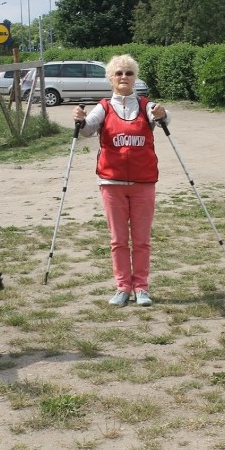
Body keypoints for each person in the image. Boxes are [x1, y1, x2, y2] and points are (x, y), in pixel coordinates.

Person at [72, 54, 169, 307]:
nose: (124, 77)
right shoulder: (103, 106)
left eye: (128, 73)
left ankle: (142, 287)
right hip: (111, 183)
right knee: (118, 239)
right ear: (111, 79)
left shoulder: (146, 105)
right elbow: (88, 129)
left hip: (143, 182)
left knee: (141, 239)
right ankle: (123, 286)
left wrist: (162, 113)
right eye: (119, 73)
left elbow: (164, 119)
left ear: (135, 78)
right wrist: (80, 121)